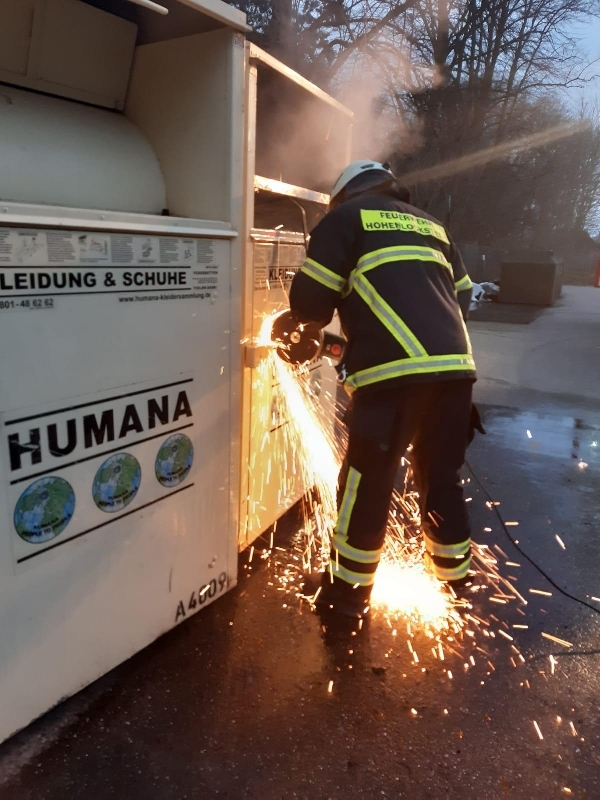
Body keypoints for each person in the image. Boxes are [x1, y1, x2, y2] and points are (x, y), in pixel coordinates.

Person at [289, 160, 479, 618]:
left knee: (367, 480)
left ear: (342, 195)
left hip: (392, 379)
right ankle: (454, 583)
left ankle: (346, 596)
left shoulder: (345, 219)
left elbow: (310, 302)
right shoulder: (432, 226)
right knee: (440, 476)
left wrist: (302, 328)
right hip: (456, 373)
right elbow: (463, 296)